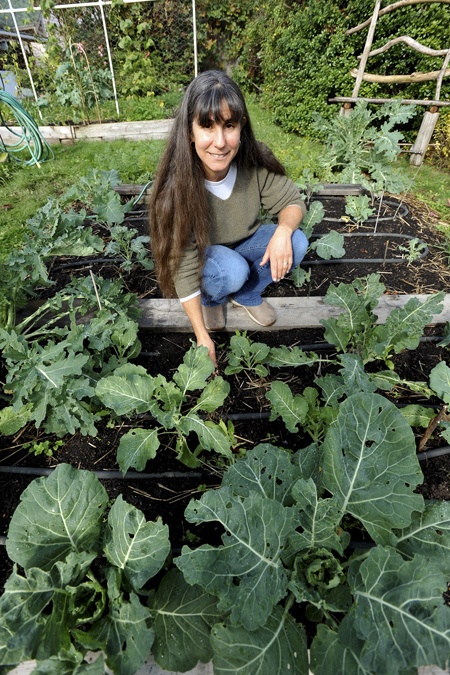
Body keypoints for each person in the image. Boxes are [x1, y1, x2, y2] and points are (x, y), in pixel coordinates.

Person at [149, 70, 308, 367]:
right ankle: (212, 300)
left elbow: (291, 202)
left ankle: (247, 295)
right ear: (189, 131)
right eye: (207, 126)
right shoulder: (177, 186)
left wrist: (284, 230)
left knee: (297, 240)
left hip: (242, 245)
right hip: (205, 259)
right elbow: (182, 263)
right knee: (231, 270)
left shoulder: (254, 160)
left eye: (229, 125)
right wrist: (201, 335)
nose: (220, 142)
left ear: (242, 126)